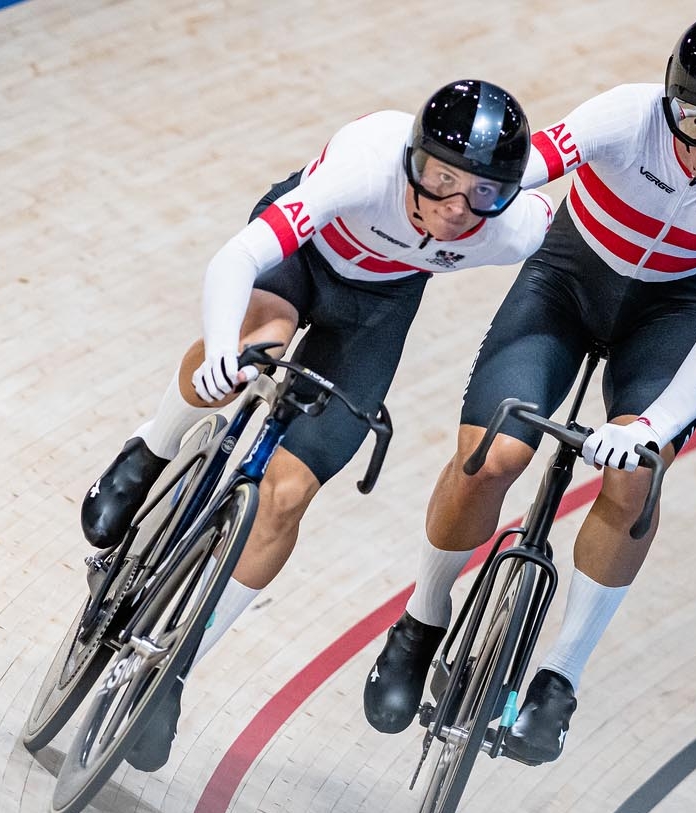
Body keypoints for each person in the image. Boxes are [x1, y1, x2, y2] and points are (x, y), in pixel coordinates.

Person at [361, 11, 696, 765]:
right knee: (495, 459)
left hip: (670, 313)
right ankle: (421, 617)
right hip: (565, 285)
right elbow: (509, 172)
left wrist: (654, 429)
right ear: (672, 104)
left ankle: (559, 678)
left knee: (635, 479)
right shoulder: (622, 115)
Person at [79, 80, 555, 770]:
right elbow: (237, 258)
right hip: (299, 261)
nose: (456, 209)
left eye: (480, 193)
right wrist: (221, 351)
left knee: (289, 494)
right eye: (440, 180)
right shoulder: (365, 166)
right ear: (413, 160)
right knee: (259, 340)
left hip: (380, 306)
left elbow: (572, 228)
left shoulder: (514, 228)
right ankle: (151, 447)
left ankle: (174, 669)